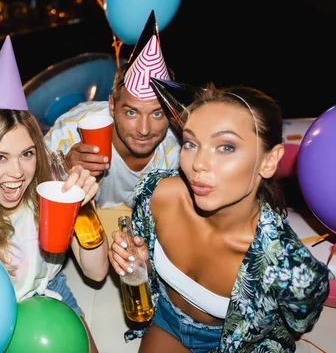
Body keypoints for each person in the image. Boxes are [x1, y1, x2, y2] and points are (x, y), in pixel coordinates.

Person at [108, 83, 332, 352]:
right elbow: (143, 246)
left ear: (269, 161)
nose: (198, 163)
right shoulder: (155, 194)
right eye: (191, 143)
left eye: (225, 147)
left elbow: (298, 322)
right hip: (166, 320)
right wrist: (144, 264)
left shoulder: (290, 268)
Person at [0, 36, 109, 352]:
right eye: (0, 157)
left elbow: (96, 272)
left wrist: (84, 211)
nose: (18, 172)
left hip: (53, 295)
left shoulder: (50, 197)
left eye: (27, 154)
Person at [44, 11, 180, 209]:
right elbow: (23, 179)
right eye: (131, 112)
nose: (144, 129)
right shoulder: (73, 128)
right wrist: (62, 167)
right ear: (112, 106)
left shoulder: (178, 151)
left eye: (157, 113)